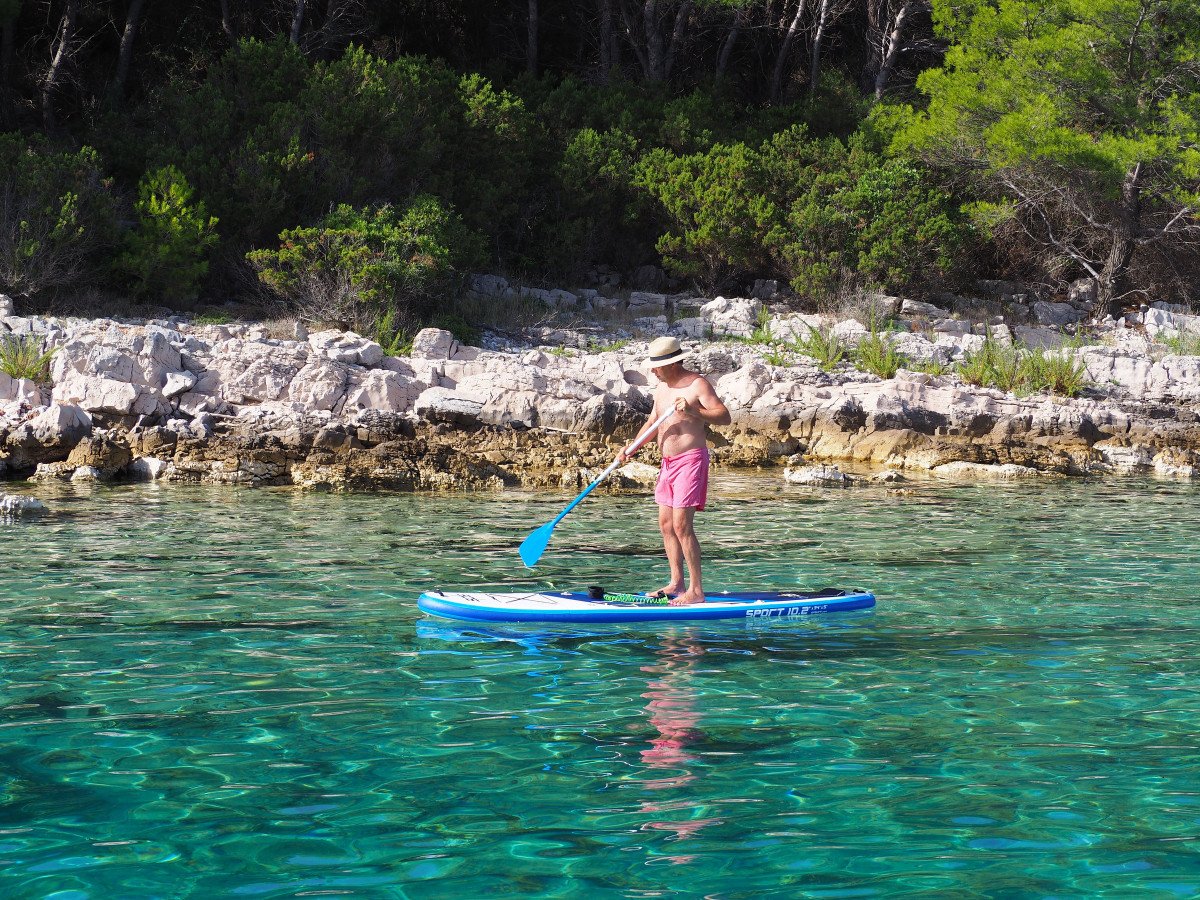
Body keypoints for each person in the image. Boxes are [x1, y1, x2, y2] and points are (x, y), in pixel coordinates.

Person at [617, 336, 731, 606]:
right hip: (667, 464)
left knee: (682, 525)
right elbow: (654, 421)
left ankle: (696, 590)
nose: (653, 371)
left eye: (657, 366)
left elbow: (724, 416)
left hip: (691, 460)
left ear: (671, 363)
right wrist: (631, 447)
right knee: (666, 524)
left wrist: (695, 410)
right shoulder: (662, 388)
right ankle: (676, 583)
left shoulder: (697, 385)